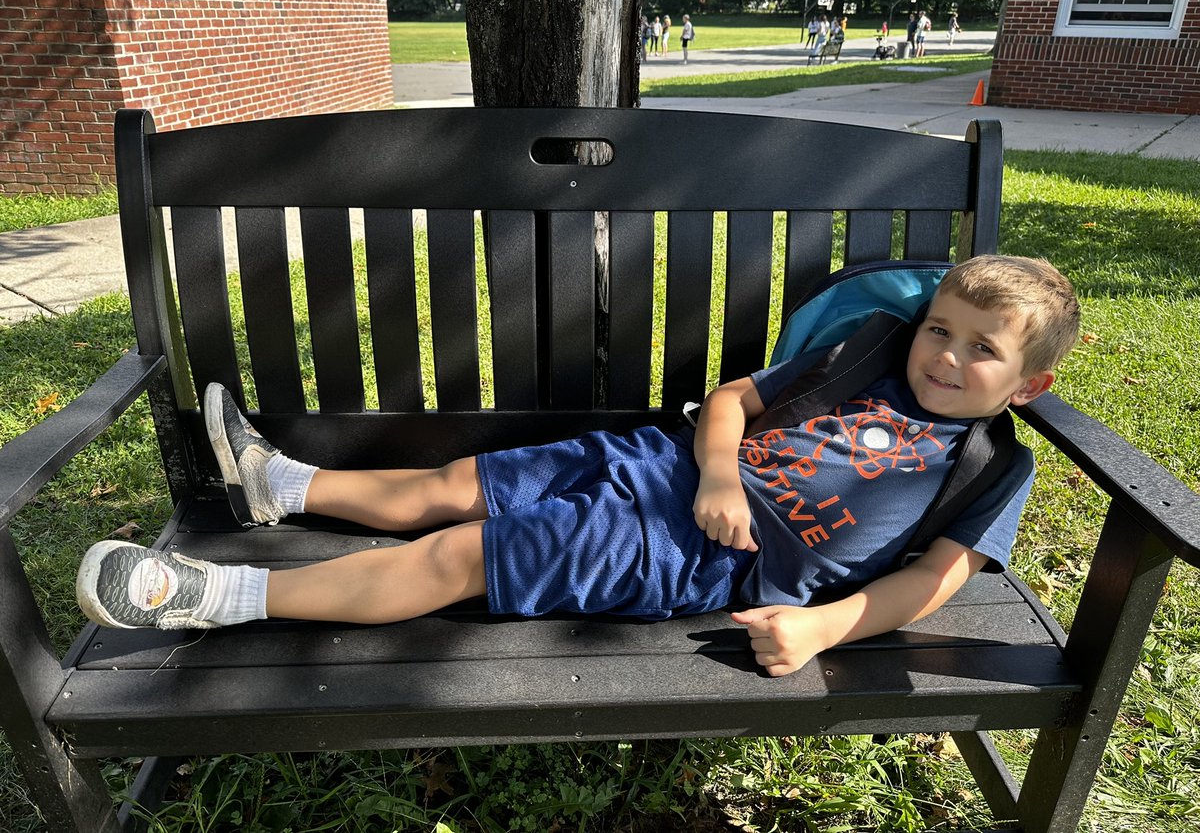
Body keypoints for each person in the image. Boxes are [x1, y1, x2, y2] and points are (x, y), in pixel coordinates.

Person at [76, 256, 1080, 678]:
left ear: (1025, 385)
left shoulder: (991, 466)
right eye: (940, 328)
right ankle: (285, 487)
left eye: (980, 350)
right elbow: (730, 401)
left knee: (462, 552)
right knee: (457, 482)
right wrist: (719, 469)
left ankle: (216, 594)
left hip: (697, 551)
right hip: (661, 465)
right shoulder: (861, 350)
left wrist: (821, 627)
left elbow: (930, 580)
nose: (944, 356)